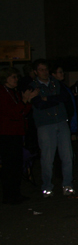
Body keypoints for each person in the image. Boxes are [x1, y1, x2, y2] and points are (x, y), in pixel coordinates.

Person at [29, 59, 74, 197]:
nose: (44, 72)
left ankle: (67, 184)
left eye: (46, 69)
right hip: (45, 125)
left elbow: (64, 97)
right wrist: (52, 99)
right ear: (36, 72)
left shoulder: (56, 83)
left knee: (67, 156)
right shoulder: (33, 86)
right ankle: (47, 186)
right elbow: (39, 104)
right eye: (41, 70)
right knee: (47, 158)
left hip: (61, 122)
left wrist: (47, 99)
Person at [1, 66, 37, 204]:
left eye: (17, 77)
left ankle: (15, 193)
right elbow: (13, 112)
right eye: (13, 77)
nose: (16, 79)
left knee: (16, 165)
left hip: (17, 132)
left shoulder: (14, 92)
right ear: (6, 78)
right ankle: (9, 195)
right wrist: (25, 101)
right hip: (6, 134)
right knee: (9, 166)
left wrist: (27, 100)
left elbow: (23, 111)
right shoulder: (2, 93)